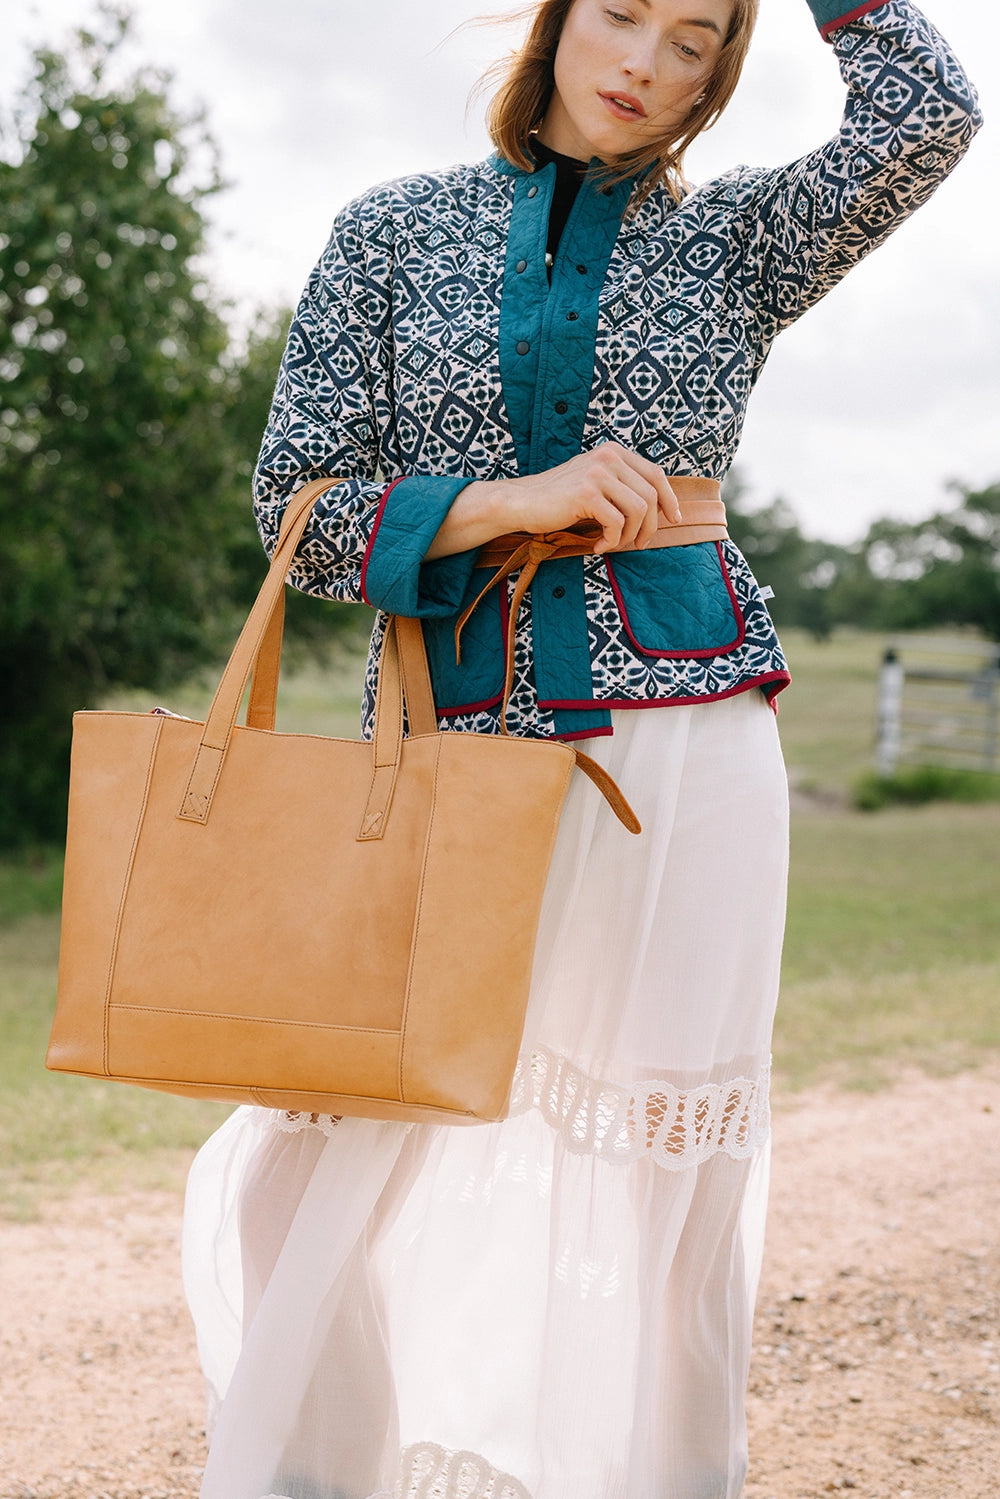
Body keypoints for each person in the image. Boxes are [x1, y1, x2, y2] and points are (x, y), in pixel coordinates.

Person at [182, 3, 980, 1496]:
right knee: (328, 1131)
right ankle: (305, 1478)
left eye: (695, 41)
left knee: (668, 1162)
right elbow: (296, 513)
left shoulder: (741, 243)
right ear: (556, 19)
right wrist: (503, 499)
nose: (646, 64)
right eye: (622, 14)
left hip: (688, 746)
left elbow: (929, 118)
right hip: (443, 744)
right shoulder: (390, 234)